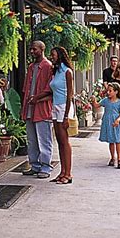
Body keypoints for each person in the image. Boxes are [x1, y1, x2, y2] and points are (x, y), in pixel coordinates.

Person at [21, 41, 54, 179]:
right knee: (32, 140)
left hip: (42, 109)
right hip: (29, 108)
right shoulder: (31, 67)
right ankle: (34, 165)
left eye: (34, 49)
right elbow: (25, 89)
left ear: (42, 49)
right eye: (30, 49)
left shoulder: (48, 66)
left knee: (44, 139)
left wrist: (37, 98)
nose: (32, 51)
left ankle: (45, 167)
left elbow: (50, 89)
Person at [48, 46, 74, 185]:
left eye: (53, 54)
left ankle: (68, 174)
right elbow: (52, 91)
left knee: (65, 141)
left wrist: (65, 116)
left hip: (64, 107)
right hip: (55, 106)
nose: (52, 57)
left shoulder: (67, 72)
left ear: (60, 55)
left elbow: (70, 94)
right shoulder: (56, 71)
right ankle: (62, 172)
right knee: (59, 141)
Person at [96, 82, 120, 169]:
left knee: (118, 140)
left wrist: (118, 120)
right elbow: (97, 105)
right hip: (107, 121)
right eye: (108, 91)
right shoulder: (105, 100)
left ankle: (119, 159)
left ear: (116, 92)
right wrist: (94, 100)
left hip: (115, 122)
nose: (108, 92)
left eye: (110, 91)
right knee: (111, 140)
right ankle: (112, 157)